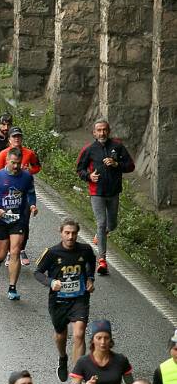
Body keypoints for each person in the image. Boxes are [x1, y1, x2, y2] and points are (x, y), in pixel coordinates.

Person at [33, 217, 97, 381]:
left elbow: (91, 262)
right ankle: (63, 358)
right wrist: (51, 282)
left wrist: (90, 279)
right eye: (67, 233)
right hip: (58, 301)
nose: (70, 237)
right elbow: (37, 273)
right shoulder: (52, 253)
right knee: (61, 335)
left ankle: (77, 378)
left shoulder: (85, 249)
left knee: (79, 334)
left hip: (79, 298)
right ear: (61, 233)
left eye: (74, 233)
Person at [76, 118, 135, 276]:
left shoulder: (117, 146)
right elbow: (79, 169)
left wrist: (117, 165)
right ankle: (102, 260)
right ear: (94, 133)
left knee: (112, 224)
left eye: (104, 130)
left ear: (108, 131)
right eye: (99, 130)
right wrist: (89, 177)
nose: (102, 133)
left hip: (114, 192)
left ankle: (100, 234)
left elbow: (131, 166)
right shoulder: (89, 149)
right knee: (101, 223)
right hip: (97, 192)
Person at [0, 149, 38, 302]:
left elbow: (31, 193)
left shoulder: (26, 177)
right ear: (7, 160)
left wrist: (32, 205)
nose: (15, 166)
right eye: (13, 163)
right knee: (1, 254)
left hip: (18, 219)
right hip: (1, 220)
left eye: (18, 164)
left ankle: (12, 287)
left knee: (15, 251)